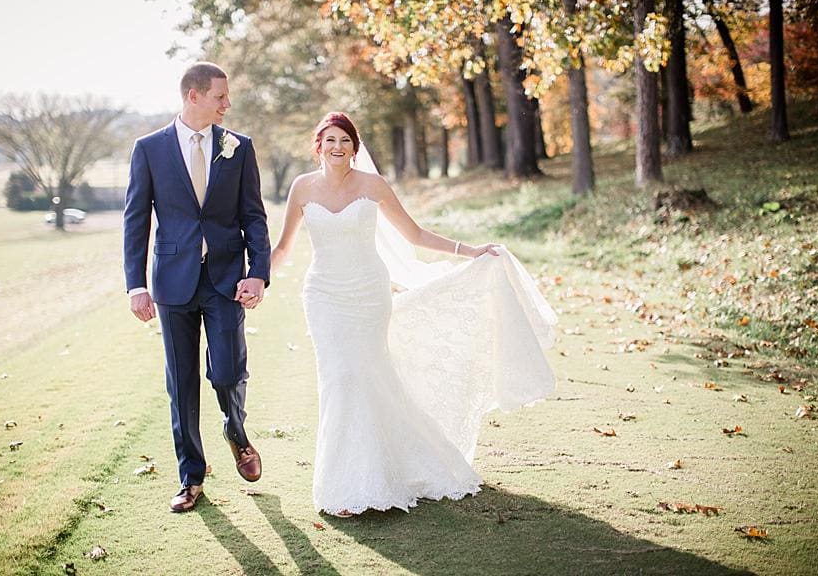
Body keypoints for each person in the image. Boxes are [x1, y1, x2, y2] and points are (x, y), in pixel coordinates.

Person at [271, 112, 557, 517]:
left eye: (346, 141)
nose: (338, 147)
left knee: (366, 374)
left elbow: (416, 234)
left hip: (369, 294)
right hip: (323, 296)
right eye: (330, 140)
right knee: (339, 379)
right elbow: (283, 249)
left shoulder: (373, 186)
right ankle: (346, 485)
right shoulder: (302, 188)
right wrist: (254, 276)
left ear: (355, 147)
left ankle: (390, 471)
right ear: (318, 146)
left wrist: (469, 250)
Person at [123, 62, 270, 513]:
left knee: (226, 373)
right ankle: (190, 477)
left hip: (226, 279)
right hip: (172, 281)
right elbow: (136, 218)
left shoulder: (238, 147)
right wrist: (135, 285)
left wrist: (258, 272)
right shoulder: (149, 149)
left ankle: (235, 428)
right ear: (194, 96)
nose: (228, 104)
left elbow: (253, 215)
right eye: (220, 97)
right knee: (181, 382)